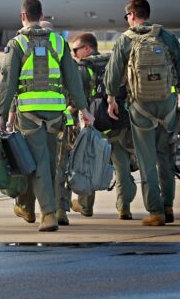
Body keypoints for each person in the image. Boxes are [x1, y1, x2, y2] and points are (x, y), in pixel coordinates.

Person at [0, 0, 94, 232]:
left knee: (38, 163)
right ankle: (48, 208)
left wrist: (0, 114)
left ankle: (48, 214)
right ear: (41, 16)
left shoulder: (17, 44)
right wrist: (84, 109)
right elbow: (73, 80)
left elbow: (8, 83)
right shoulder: (59, 43)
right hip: (55, 112)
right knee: (48, 162)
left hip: (29, 114)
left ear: (22, 16)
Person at [105, 0, 180, 226]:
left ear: (132, 15)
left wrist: (111, 99)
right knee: (165, 155)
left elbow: (112, 75)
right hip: (168, 105)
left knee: (146, 158)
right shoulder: (167, 37)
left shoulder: (126, 40)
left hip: (141, 106)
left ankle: (155, 211)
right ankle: (168, 205)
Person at [67, 32, 137, 220]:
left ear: (87, 48)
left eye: (76, 49)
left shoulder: (83, 68)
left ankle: (85, 206)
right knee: (122, 165)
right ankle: (124, 208)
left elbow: (77, 97)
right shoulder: (115, 62)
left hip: (95, 124)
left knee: (88, 164)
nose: (74, 54)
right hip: (119, 121)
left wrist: (71, 120)